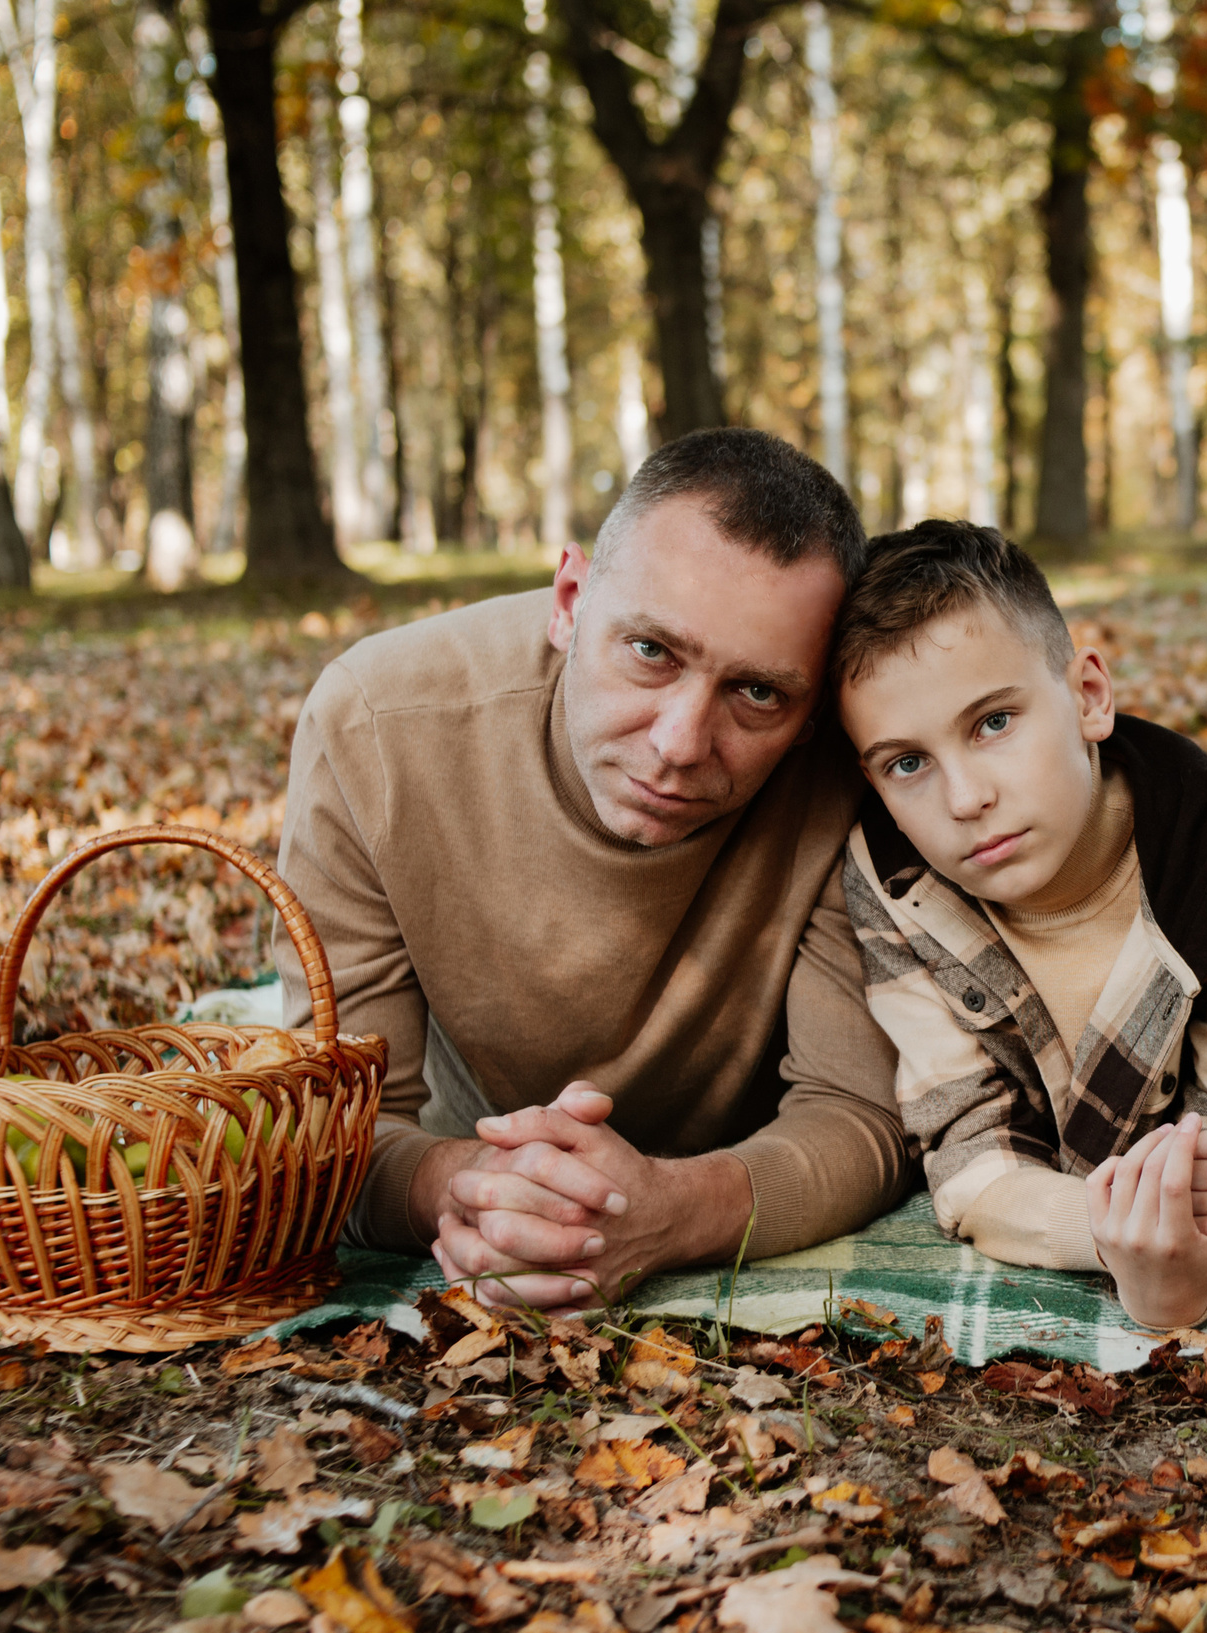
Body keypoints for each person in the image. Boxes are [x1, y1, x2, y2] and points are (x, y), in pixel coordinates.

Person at [275, 429, 912, 1310]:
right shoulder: (374, 727)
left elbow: (860, 1115)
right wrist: (468, 1190)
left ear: (810, 710)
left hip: (743, 1145)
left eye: (757, 693)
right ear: (570, 598)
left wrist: (670, 1213)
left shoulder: (860, 755)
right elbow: (332, 1130)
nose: (680, 745)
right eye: (651, 653)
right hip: (479, 1141)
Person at [832, 521, 1207, 1332]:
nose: (964, 799)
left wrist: (1179, 1281)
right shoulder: (895, 877)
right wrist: (1112, 1239)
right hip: (1111, 1167)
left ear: (1089, 698)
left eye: (993, 722)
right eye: (907, 763)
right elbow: (969, 1157)